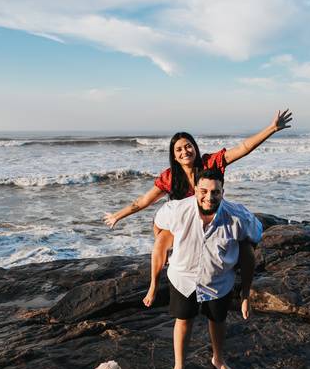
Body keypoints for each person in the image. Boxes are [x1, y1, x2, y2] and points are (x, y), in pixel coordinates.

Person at [103, 109, 292, 305]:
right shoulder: (170, 177)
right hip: (185, 224)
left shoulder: (210, 163)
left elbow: (243, 147)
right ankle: (154, 285)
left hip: (213, 219)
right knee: (160, 240)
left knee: (243, 243)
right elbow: (143, 201)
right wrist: (118, 215)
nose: (185, 151)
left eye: (188, 146)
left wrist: (271, 128)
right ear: (174, 156)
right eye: (179, 150)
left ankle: (242, 290)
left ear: (195, 147)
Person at [152, 166, 263, 369]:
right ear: (195, 189)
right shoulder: (177, 210)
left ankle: (218, 359)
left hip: (219, 281)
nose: (209, 197)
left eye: (215, 192)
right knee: (183, 320)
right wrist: (164, 243)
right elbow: (159, 223)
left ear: (223, 191)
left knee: (218, 320)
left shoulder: (238, 216)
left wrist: (245, 294)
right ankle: (179, 367)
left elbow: (255, 238)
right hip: (183, 277)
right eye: (203, 191)